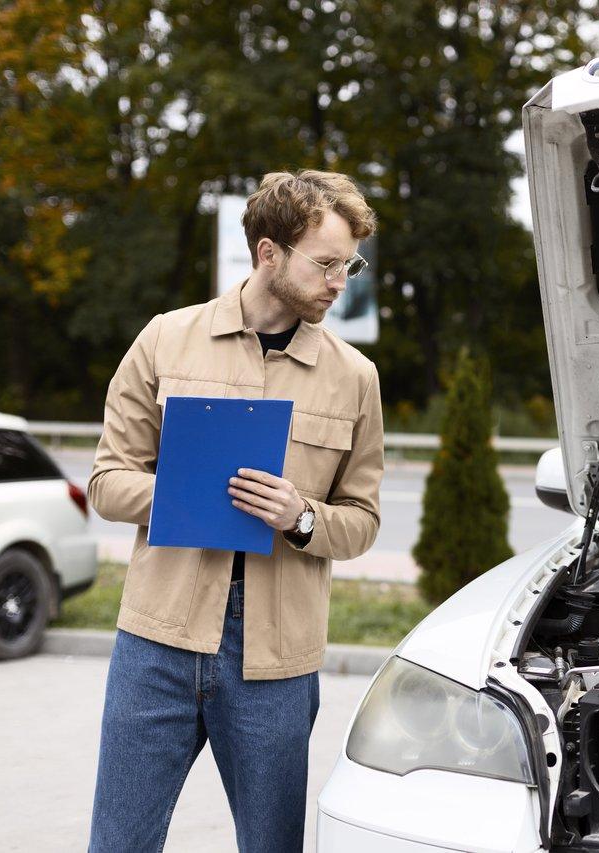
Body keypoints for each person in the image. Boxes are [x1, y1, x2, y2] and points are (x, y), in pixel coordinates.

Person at [86, 169, 384, 851]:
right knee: (118, 843)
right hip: (156, 642)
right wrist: (186, 492)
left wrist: (300, 516)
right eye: (328, 263)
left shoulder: (355, 377)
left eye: (350, 264)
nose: (342, 281)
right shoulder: (165, 339)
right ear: (268, 253)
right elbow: (106, 481)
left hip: (274, 661)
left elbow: (362, 520)